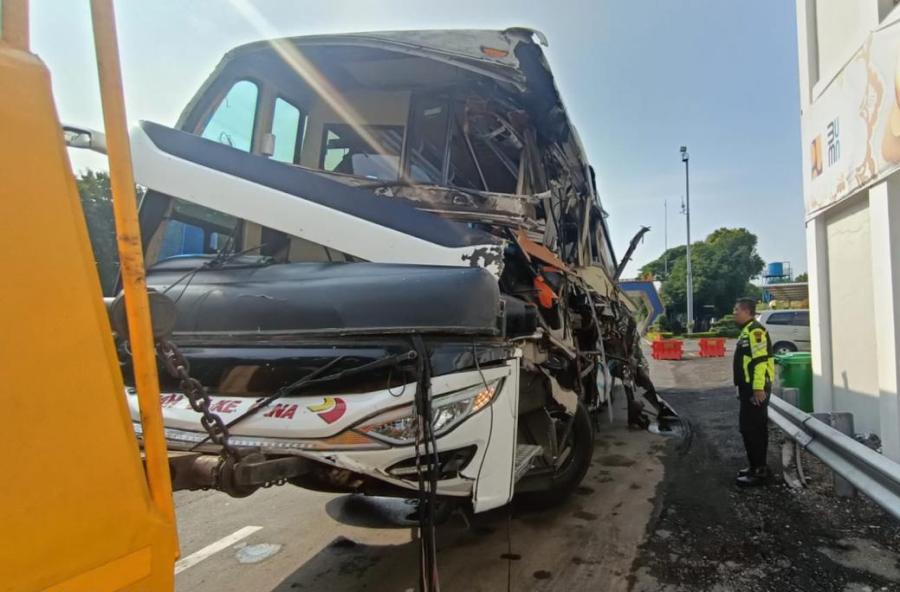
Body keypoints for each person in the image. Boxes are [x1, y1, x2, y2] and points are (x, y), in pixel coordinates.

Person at [732, 298, 774, 487]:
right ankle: (755, 466)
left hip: (755, 389)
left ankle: (759, 472)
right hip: (748, 388)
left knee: (753, 429)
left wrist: (758, 388)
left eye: (737, 310)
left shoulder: (756, 331)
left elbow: (760, 361)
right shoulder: (747, 331)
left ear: (747, 312)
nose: (734, 313)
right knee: (750, 428)